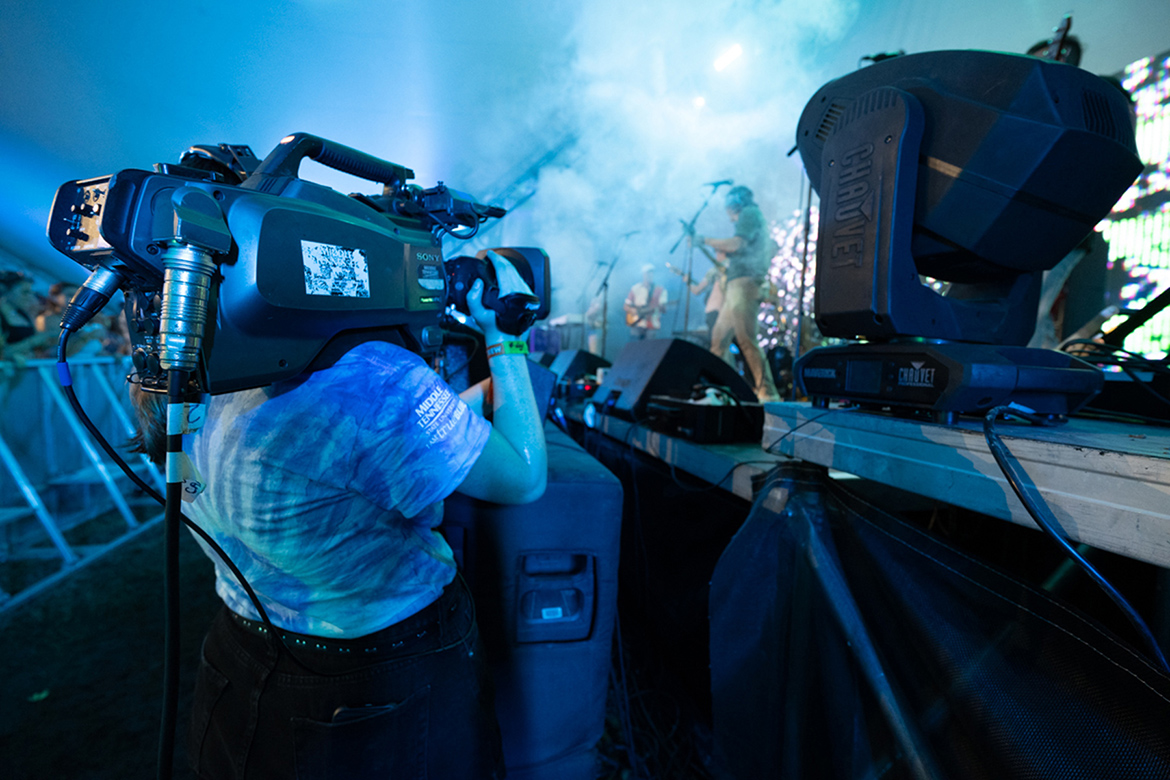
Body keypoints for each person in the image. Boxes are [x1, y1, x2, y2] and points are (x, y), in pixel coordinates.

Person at [130, 251, 546, 779]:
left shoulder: (177, 355)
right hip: (379, 669)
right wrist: (505, 336)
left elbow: (343, 449)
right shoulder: (372, 372)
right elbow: (524, 478)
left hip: (240, 651)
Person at [690, 186, 781, 402]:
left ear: (735, 204)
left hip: (744, 284)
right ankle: (722, 390)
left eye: (729, 210)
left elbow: (737, 243)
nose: (729, 217)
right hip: (735, 287)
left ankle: (768, 394)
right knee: (719, 340)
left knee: (746, 339)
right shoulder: (752, 216)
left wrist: (704, 240)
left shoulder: (749, 213)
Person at [0, 271, 58, 364]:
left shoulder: (23, 314)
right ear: (6, 292)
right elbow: (3, 352)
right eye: (25, 292)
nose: (30, 297)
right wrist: (34, 341)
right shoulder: (3, 317)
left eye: (31, 293)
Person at [623, 263, 668, 340]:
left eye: (651, 273)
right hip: (636, 324)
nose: (649, 275)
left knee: (650, 346)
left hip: (652, 326)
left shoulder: (660, 290)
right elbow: (626, 305)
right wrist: (633, 310)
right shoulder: (635, 288)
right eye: (647, 273)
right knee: (634, 345)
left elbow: (663, 309)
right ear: (643, 274)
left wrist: (661, 307)